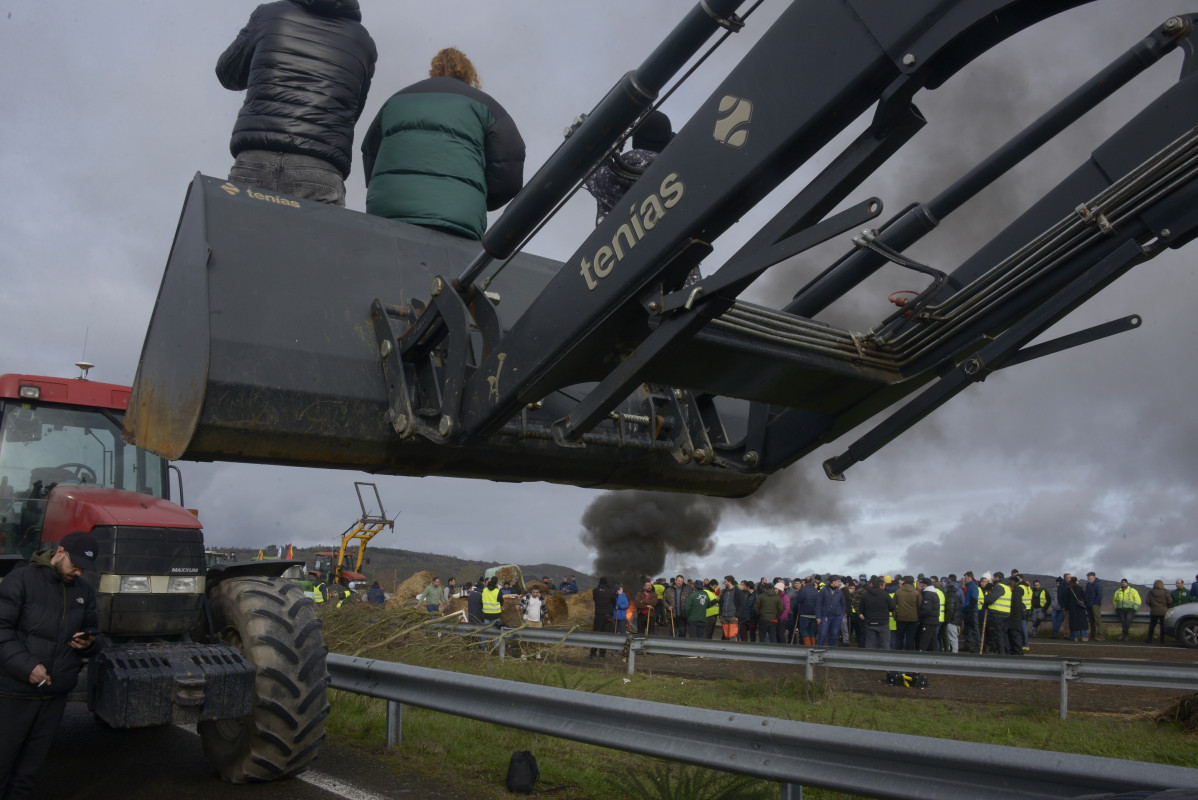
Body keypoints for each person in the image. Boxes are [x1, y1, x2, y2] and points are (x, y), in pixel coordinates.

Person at [217, 0, 377, 206]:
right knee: (318, 239)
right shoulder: (362, 41)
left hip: (256, 158)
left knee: (237, 237)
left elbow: (227, 73)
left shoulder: (268, 15)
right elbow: (352, 112)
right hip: (319, 168)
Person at [362, 47, 525, 239]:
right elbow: (509, 166)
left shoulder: (396, 101)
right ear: (468, 73)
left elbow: (370, 154)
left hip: (388, 213)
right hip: (457, 216)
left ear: (434, 70)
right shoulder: (487, 106)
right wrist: (479, 197)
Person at [0, 531, 101, 799]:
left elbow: (96, 633)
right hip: (14, 693)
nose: (78, 572)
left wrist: (89, 643)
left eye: (84, 568)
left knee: (28, 773)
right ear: (59, 552)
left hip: (54, 696)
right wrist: (27, 666)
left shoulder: (85, 591)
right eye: (75, 565)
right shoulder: (20, 580)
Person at [857, 576, 896, 649]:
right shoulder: (885, 595)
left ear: (870, 584)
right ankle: (885, 659)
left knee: (870, 643)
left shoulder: (865, 595)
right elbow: (893, 607)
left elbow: (861, 609)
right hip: (883, 622)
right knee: (885, 644)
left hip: (870, 622)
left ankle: (870, 659)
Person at [590, 578, 615, 658]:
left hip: (599, 615)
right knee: (605, 635)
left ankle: (593, 653)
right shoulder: (611, 591)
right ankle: (602, 654)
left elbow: (595, 599)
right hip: (608, 616)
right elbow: (614, 602)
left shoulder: (595, 591)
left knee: (596, 634)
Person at [1146, 580, 1172, 645]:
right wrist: (1166, 606)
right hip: (1163, 611)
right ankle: (1162, 639)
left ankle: (1149, 639)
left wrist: (1152, 606)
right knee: (1162, 626)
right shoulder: (1165, 592)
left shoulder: (1151, 592)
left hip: (1154, 611)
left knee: (1152, 625)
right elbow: (1170, 601)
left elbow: (1147, 601)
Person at [1065, 575, 1089, 642]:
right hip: (1080, 607)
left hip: (1072, 608)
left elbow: (1066, 599)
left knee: (1073, 622)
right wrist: (1085, 606)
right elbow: (1085, 598)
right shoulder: (1080, 588)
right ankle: (1084, 636)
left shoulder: (1068, 589)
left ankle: (1075, 637)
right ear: (1076, 581)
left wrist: (1067, 608)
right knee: (1082, 622)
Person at [718, 576, 742, 641]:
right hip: (724, 616)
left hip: (733, 617)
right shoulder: (724, 592)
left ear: (730, 581)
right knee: (726, 636)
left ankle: (733, 650)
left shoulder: (737, 592)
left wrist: (737, 615)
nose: (724, 583)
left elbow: (742, 604)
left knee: (733, 637)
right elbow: (721, 603)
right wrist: (720, 614)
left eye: (725, 581)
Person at [1084, 572, 1104, 641]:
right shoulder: (1088, 585)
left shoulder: (1098, 584)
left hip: (1095, 605)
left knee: (1097, 620)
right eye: (1088, 576)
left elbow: (1100, 595)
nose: (1088, 578)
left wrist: (1094, 603)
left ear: (1093, 576)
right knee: (1091, 621)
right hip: (1088, 605)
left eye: (1089, 576)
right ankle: (1092, 635)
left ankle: (1101, 636)